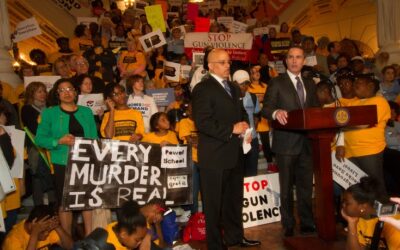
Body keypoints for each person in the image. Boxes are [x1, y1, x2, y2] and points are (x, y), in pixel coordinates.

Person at [192, 48, 260, 249]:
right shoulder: (202, 89)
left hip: (235, 153)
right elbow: (203, 122)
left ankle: (235, 237)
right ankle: (215, 244)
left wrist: (243, 128)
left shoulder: (234, 87)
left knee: (234, 200)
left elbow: (238, 116)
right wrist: (232, 128)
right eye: (222, 62)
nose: (227, 65)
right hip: (214, 156)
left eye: (228, 62)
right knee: (213, 205)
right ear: (211, 66)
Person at [262, 46, 320, 237]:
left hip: (307, 143)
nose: (294, 61)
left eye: (298, 57)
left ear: (304, 61)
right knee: (286, 187)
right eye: (291, 57)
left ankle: (307, 221)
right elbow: (266, 108)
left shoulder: (311, 83)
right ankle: (288, 223)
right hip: (286, 143)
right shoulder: (277, 82)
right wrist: (275, 112)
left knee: (305, 186)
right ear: (286, 61)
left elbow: (315, 109)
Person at [35, 78, 98, 236]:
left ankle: (89, 236)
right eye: (62, 90)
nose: (67, 93)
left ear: (76, 92)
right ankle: (67, 239)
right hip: (62, 162)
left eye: (69, 89)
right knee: (65, 202)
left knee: (86, 200)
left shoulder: (86, 111)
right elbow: (40, 139)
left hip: (85, 161)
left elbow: (94, 138)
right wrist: (59, 141)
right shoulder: (49, 113)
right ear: (57, 94)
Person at [336, 75, 391, 197]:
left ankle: (383, 214)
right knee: (356, 188)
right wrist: (340, 143)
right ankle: (364, 214)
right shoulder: (352, 103)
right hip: (349, 151)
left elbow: (363, 124)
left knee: (375, 185)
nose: (355, 85)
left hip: (369, 150)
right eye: (355, 83)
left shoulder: (379, 101)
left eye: (359, 83)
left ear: (370, 86)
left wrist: (343, 126)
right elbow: (341, 124)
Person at [21, 82, 56, 206]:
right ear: (32, 94)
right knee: (38, 176)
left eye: (44, 91)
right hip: (36, 148)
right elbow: (35, 128)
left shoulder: (50, 107)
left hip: (52, 146)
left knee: (53, 175)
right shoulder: (27, 109)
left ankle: (53, 205)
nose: (43, 94)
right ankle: (39, 207)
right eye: (39, 91)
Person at [341, 177, 400, 249]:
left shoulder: (392, 223)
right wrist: (351, 223)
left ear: (362, 207)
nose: (343, 205)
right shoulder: (359, 220)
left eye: (346, 203)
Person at [2, 205, 73, 250]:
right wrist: (35, 233)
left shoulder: (45, 227)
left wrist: (58, 226)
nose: (46, 234)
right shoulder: (12, 241)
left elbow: (70, 247)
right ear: (31, 226)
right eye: (43, 232)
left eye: (48, 230)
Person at [233, 70, 260, 177]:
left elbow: (256, 115)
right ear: (234, 83)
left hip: (252, 139)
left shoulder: (253, 97)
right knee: (238, 172)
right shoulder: (229, 99)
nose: (244, 87)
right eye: (241, 84)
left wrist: (253, 132)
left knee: (252, 171)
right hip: (236, 141)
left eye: (246, 84)